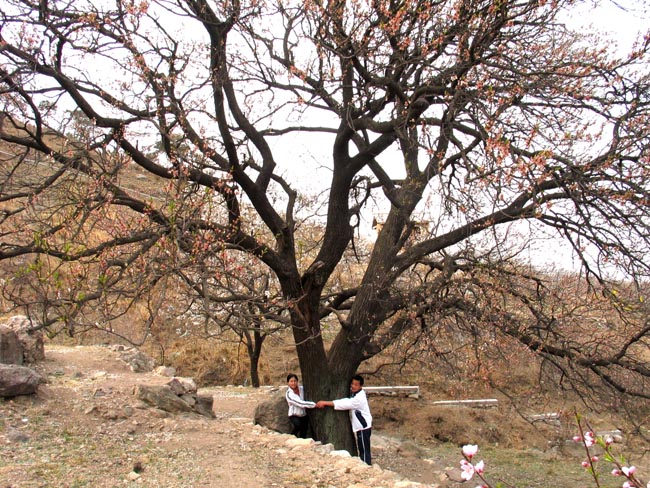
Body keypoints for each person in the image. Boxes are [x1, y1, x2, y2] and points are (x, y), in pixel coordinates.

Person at [316, 374, 373, 465]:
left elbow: (346, 403)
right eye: (352, 384)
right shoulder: (356, 394)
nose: (353, 386)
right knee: (362, 447)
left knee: (364, 449)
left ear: (360, 386)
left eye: (356, 385)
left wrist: (326, 403)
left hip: (363, 427)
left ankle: (366, 466)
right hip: (362, 426)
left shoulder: (358, 398)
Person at [285, 373, 316, 438]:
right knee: (298, 425)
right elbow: (300, 403)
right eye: (291, 381)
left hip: (304, 414)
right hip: (294, 415)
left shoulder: (302, 389)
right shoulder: (289, 394)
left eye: (295, 381)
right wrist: (314, 405)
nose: (293, 383)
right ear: (288, 383)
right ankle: (291, 438)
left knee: (304, 430)